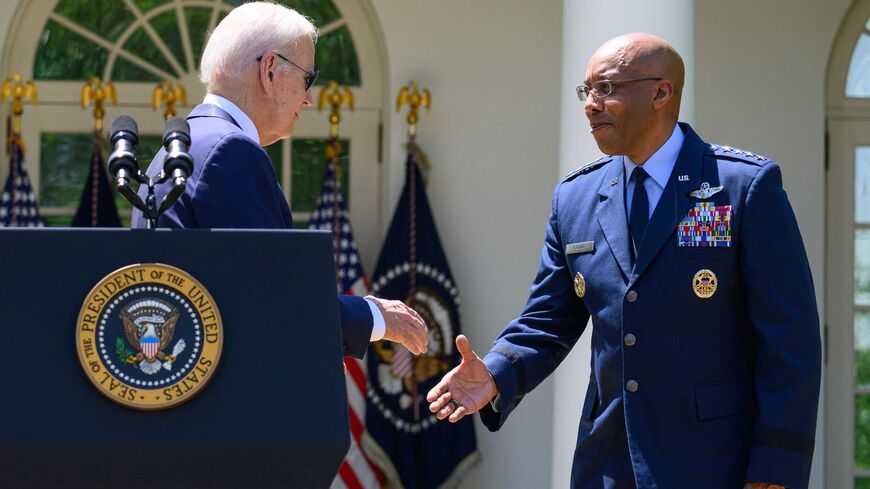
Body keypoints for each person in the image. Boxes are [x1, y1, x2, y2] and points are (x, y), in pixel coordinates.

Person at [427, 33, 820, 489]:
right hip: (608, 464)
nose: (590, 104)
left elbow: (791, 342)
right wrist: (494, 373)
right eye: (586, 91)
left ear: (660, 92)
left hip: (715, 463)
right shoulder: (575, 199)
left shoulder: (742, 188)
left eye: (607, 88)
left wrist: (775, 469)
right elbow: (547, 321)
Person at [131, 2, 427, 360]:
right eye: (308, 79)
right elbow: (271, 299)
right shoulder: (230, 149)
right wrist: (375, 316)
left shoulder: (186, 142)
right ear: (270, 70)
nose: (308, 98)